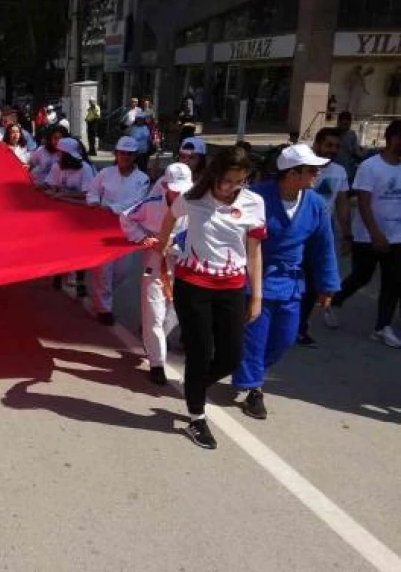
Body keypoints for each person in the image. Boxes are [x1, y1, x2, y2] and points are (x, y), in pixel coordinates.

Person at [156, 146, 266, 450]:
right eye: (228, 181)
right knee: (200, 352)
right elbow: (168, 219)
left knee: (231, 356)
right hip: (193, 286)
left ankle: (195, 385)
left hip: (232, 287)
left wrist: (256, 296)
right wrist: (162, 246)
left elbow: (255, 252)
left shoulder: (254, 203)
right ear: (215, 175)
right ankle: (196, 417)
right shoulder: (192, 198)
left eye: (240, 181)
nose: (233, 188)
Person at [231, 144, 340, 419]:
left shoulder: (315, 204)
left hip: (291, 282)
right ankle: (254, 388)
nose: (317, 174)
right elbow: (227, 232)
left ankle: (247, 368)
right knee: (255, 338)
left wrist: (327, 285)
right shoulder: (255, 198)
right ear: (292, 174)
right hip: (257, 279)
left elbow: (323, 246)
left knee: (285, 338)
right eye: (312, 170)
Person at [329, 119, 401, 348]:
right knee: (362, 277)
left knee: (394, 283)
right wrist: (375, 233)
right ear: (394, 139)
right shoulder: (370, 166)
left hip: (397, 237)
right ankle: (336, 301)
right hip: (368, 236)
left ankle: (382, 328)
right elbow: (363, 203)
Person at [120, 162, 193, 384]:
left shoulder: (198, 208)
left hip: (185, 265)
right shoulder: (151, 205)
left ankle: (154, 341)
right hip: (155, 263)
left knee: (174, 313)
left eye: (183, 189)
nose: (179, 193)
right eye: (174, 188)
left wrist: (172, 245)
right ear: (165, 186)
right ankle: (157, 362)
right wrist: (142, 237)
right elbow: (126, 218)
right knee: (153, 313)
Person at [86, 136, 152, 324]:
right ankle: (104, 309)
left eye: (129, 154)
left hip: (128, 229)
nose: (125, 157)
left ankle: (102, 296)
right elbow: (93, 191)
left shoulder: (143, 179)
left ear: (135, 156)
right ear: (116, 153)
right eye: (122, 153)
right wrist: (94, 203)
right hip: (104, 227)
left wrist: (112, 208)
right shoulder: (105, 173)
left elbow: (137, 202)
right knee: (103, 270)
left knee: (122, 271)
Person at [298, 128, 350, 345]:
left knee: (312, 284)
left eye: (336, 147)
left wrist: (347, 234)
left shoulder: (339, 172)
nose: (332, 150)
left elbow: (342, 203)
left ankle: (300, 327)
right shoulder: (303, 167)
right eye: (329, 145)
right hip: (298, 231)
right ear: (317, 145)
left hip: (321, 234)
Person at [42, 138, 96, 202]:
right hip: (62, 201)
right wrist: (50, 190)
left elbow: (87, 193)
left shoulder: (85, 168)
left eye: (59, 151)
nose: (57, 154)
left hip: (79, 204)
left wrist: (64, 195)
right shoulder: (57, 166)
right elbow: (53, 186)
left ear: (66, 154)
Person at [335, 111, 362, 179]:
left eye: (347, 124)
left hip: (346, 170)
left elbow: (356, 151)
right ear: (338, 122)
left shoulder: (352, 134)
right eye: (344, 124)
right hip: (333, 168)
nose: (345, 126)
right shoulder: (331, 133)